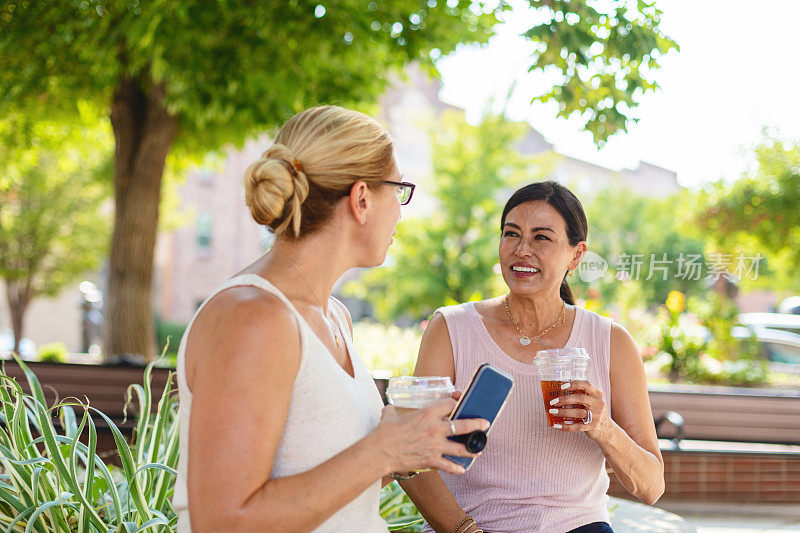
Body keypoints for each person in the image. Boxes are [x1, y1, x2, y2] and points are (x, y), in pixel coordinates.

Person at [171, 106, 489, 532]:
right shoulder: (250, 318)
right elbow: (224, 522)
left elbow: (329, 471)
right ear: (361, 199)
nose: (400, 209)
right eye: (398, 190)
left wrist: (413, 442)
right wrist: (384, 450)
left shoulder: (335, 316)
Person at [400, 181, 665, 533]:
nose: (522, 250)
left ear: (576, 254)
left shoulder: (611, 342)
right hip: (469, 528)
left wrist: (603, 427)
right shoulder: (451, 328)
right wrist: (465, 530)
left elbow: (651, 487)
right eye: (512, 234)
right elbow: (411, 459)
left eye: (542, 238)